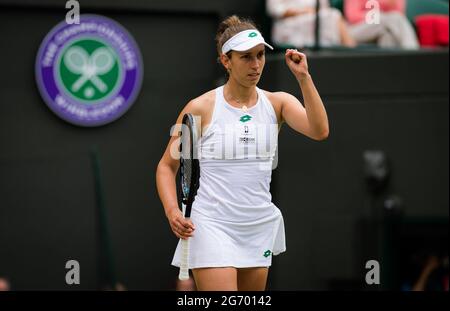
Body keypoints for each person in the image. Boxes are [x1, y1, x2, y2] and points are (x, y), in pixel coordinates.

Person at [156, 15, 329, 291]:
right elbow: (167, 166)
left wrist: (304, 78)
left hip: (258, 224)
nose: (256, 64)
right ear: (227, 61)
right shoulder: (199, 108)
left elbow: (319, 130)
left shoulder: (278, 103)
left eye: (260, 55)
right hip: (211, 224)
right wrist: (172, 210)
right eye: (246, 57)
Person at [267, 0, 356, 48]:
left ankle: (349, 49)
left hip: (315, 18)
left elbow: (324, 7)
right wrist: (303, 11)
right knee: (334, 15)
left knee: (333, 15)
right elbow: (274, 9)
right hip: (288, 24)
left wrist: (313, 11)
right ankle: (350, 48)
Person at [344, 0, 419, 49]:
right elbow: (352, 16)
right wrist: (377, 15)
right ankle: (413, 52)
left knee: (388, 36)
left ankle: (388, 69)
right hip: (354, 30)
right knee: (389, 18)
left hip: (384, 27)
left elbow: (399, 15)